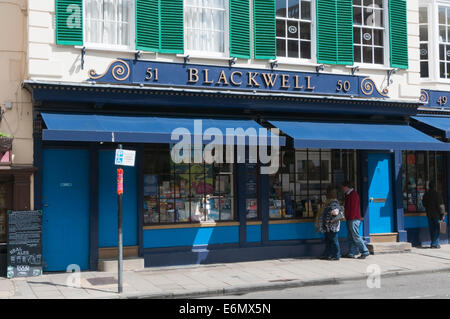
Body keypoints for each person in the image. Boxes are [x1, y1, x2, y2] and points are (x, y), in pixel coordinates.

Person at [342, 181, 370, 259]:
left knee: (355, 236)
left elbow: (353, 208)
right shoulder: (349, 194)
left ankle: (365, 251)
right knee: (351, 236)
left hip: (353, 219)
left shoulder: (353, 195)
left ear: (347, 187)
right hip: (351, 219)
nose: (342, 189)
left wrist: (350, 217)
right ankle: (351, 252)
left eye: (343, 187)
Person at [319, 186, 344, 261]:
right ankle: (328, 254)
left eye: (328, 193)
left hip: (332, 226)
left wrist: (333, 212)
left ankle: (336, 255)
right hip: (328, 226)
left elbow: (336, 212)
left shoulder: (334, 202)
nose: (327, 195)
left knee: (333, 241)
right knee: (329, 241)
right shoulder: (330, 202)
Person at [422, 183, 446, 249]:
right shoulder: (437, 194)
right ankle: (434, 244)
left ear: (429, 187)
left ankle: (434, 243)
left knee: (432, 229)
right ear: (434, 187)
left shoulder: (426, 194)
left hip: (429, 214)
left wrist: (428, 207)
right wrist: (443, 214)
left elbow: (424, 203)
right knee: (437, 229)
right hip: (437, 215)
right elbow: (441, 205)